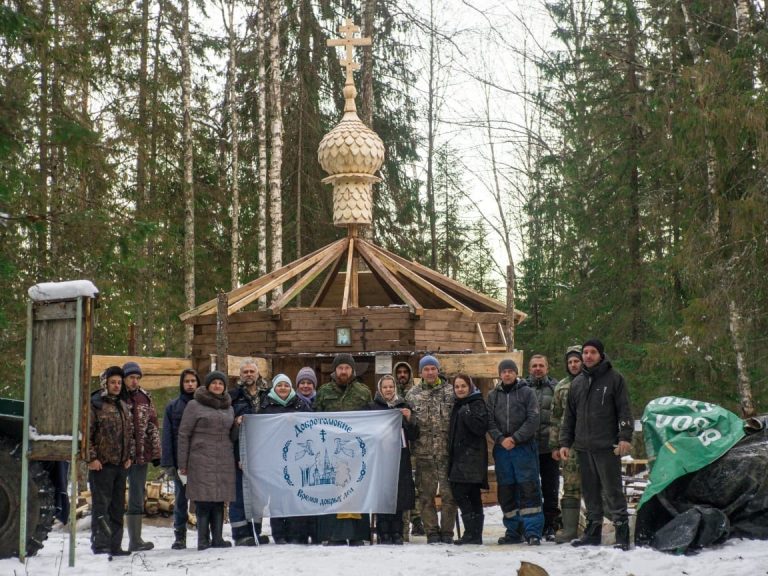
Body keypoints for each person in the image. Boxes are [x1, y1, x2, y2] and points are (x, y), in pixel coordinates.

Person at [559, 339, 633, 551]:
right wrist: (565, 442)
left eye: (592, 352)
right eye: (585, 353)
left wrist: (624, 437)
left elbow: (624, 410)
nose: (588, 356)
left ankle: (622, 534)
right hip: (583, 446)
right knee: (590, 492)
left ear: (601, 355)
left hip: (606, 446)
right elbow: (569, 417)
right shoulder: (577, 383)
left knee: (612, 491)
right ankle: (592, 533)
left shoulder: (614, 379)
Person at [315, 353, 372, 546]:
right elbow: (315, 419)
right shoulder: (323, 392)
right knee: (332, 491)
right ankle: (333, 535)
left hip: (355, 451)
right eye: (340, 368)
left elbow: (371, 420)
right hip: (330, 451)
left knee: (355, 489)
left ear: (352, 370)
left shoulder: (363, 392)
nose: (344, 371)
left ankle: (357, 535)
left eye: (347, 368)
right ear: (335, 370)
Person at [487, 359, 544, 546]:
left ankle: (532, 531)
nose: (507, 374)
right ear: (500, 374)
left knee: (529, 489)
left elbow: (533, 418)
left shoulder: (527, 392)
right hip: (503, 449)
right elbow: (489, 421)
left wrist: (516, 438)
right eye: (504, 371)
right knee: (507, 491)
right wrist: (501, 439)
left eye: (511, 371)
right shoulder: (493, 396)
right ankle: (513, 530)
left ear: (516, 373)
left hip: (524, 448)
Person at [178, 371, 236, 550]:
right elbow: (184, 434)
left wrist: (239, 424)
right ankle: (203, 540)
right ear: (208, 385)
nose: (217, 386)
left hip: (224, 458)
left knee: (219, 499)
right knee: (203, 500)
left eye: (221, 383)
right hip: (201, 458)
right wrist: (183, 463)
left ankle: (217, 538)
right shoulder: (194, 405)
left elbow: (231, 433)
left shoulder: (229, 406)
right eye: (214, 383)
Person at [405, 355, 458, 544]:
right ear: (420, 373)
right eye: (426, 369)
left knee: (449, 496)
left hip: (446, 454)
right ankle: (432, 532)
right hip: (423, 454)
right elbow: (408, 425)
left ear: (438, 370)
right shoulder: (412, 395)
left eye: (432, 369)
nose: (429, 372)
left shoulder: (451, 392)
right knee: (426, 496)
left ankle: (447, 531)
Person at [258, 373, 313, 544]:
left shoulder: (301, 404)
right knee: (277, 498)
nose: (283, 388)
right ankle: (279, 533)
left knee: (295, 496)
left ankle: (295, 532)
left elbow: (311, 426)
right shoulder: (265, 405)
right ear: (274, 387)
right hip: (274, 458)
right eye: (280, 385)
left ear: (291, 388)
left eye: (286, 385)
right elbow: (259, 431)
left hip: (296, 458)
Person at [87, 366, 134, 556]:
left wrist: (129, 456)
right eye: (112, 382)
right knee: (101, 506)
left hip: (120, 465)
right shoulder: (95, 404)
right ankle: (101, 544)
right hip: (101, 465)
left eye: (119, 382)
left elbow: (129, 434)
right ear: (105, 383)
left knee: (117, 508)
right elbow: (86, 434)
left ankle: (115, 545)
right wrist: (91, 458)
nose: (116, 385)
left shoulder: (122, 405)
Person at [366, 374, 417, 545]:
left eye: (391, 386)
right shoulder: (372, 408)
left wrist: (409, 418)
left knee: (399, 494)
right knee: (382, 494)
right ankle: (383, 531)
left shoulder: (404, 406)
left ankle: (397, 531)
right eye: (385, 387)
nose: (388, 389)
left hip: (400, 457)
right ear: (380, 389)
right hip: (380, 458)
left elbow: (414, 434)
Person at [229, 358, 271, 546]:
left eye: (251, 371)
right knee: (239, 492)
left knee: (257, 494)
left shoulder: (268, 395)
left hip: (262, 452)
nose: (248, 374)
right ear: (240, 375)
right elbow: (225, 425)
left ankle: (256, 530)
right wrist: (236, 423)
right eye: (245, 372)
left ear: (257, 374)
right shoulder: (232, 396)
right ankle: (240, 534)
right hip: (240, 451)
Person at [122, 361, 161, 552]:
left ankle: (135, 540)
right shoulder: (115, 396)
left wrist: (155, 453)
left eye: (137, 378)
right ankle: (106, 540)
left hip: (140, 457)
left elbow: (153, 426)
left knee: (137, 497)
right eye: (131, 377)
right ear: (124, 378)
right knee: (113, 498)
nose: (134, 381)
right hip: (118, 457)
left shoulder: (145, 398)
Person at [161, 368, 201, 550]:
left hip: (202, 460)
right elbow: (168, 436)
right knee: (180, 500)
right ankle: (180, 536)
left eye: (193, 381)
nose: (190, 384)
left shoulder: (205, 404)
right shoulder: (173, 406)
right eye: (187, 381)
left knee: (203, 499)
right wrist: (168, 462)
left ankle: (204, 534)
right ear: (182, 384)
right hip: (181, 462)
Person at [448, 374, 489, 545]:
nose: (460, 389)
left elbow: (480, 428)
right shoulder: (458, 405)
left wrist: (467, 413)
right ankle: (473, 534)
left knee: (462, 493)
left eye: (463, 386)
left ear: (470, 387)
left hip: (472, 457)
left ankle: (472, 533)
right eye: (457, 387)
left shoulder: (476, 404)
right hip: (460, 457)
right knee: (471, 495)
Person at [549, 346, 583, 544]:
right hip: (568, 446)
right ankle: (570, 528)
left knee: (596, 486)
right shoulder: (561, 387)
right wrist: (555, 445)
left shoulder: (594, 382)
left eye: (576, 361)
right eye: (570, 362)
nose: (573, 365)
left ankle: (600, 525)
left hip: (592, 443)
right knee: (570, 486)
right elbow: (554, 418)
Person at [525, 354, 560, 541]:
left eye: (541, 365)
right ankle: (532, 525)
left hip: (549, 447)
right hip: (528, 448)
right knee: (530, 489)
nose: (537, 368)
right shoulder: (522, 388)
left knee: (550, 488)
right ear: (529, 368)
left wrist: (559, 443)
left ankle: (550, 525)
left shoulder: (555, 388)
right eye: (534, 366)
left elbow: (561, 417)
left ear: (547, 368)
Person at [394, 360, 423, 538]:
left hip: (415, 447)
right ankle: (405, 524)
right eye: (399, 372)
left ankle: (417, 519)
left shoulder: (415, 394)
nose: (402, 375)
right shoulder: (390, 393)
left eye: (405, 372)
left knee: (416, 487)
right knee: (403, 486)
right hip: (398, 450)